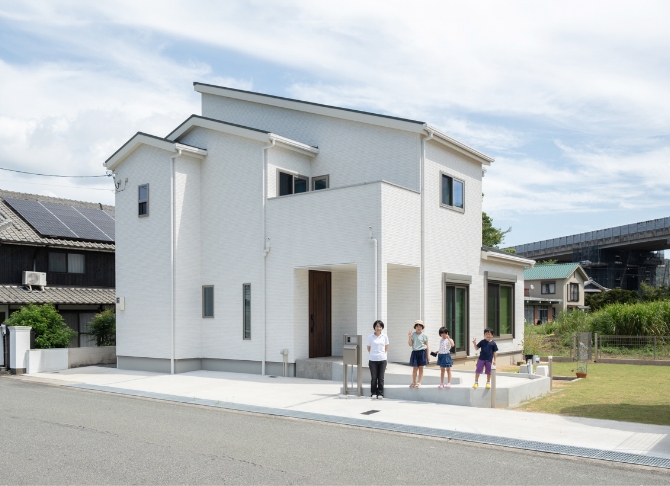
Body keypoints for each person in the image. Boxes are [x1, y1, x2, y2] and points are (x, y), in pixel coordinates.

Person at [366, 320, 389, 400]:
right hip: (372, 360)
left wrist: (381, 354)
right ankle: (373, 393)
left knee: (381, 378)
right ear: (374, 327)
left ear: (382, 328)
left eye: (380, 326)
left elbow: (386, 347)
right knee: (374, 378)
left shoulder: (384, 337)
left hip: (382, 359)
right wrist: (374, 354)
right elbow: (368, 348)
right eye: (377, 326)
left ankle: (380, 393)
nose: (378, 328)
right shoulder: (370, 337)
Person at [407, 320, 430, 388]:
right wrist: (409, 337)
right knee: (415, 368)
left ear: (422, 327)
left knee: (421, 368)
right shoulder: (413, 335)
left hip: (422, 352)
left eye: (420, 326)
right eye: (417, 326)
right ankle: (414, 382)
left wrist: (428, 355)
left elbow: (427, 346)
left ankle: (419, 382)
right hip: (415, 352)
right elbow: (410, 344)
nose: (419, 327)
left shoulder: (425, 336)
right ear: (415, 327)